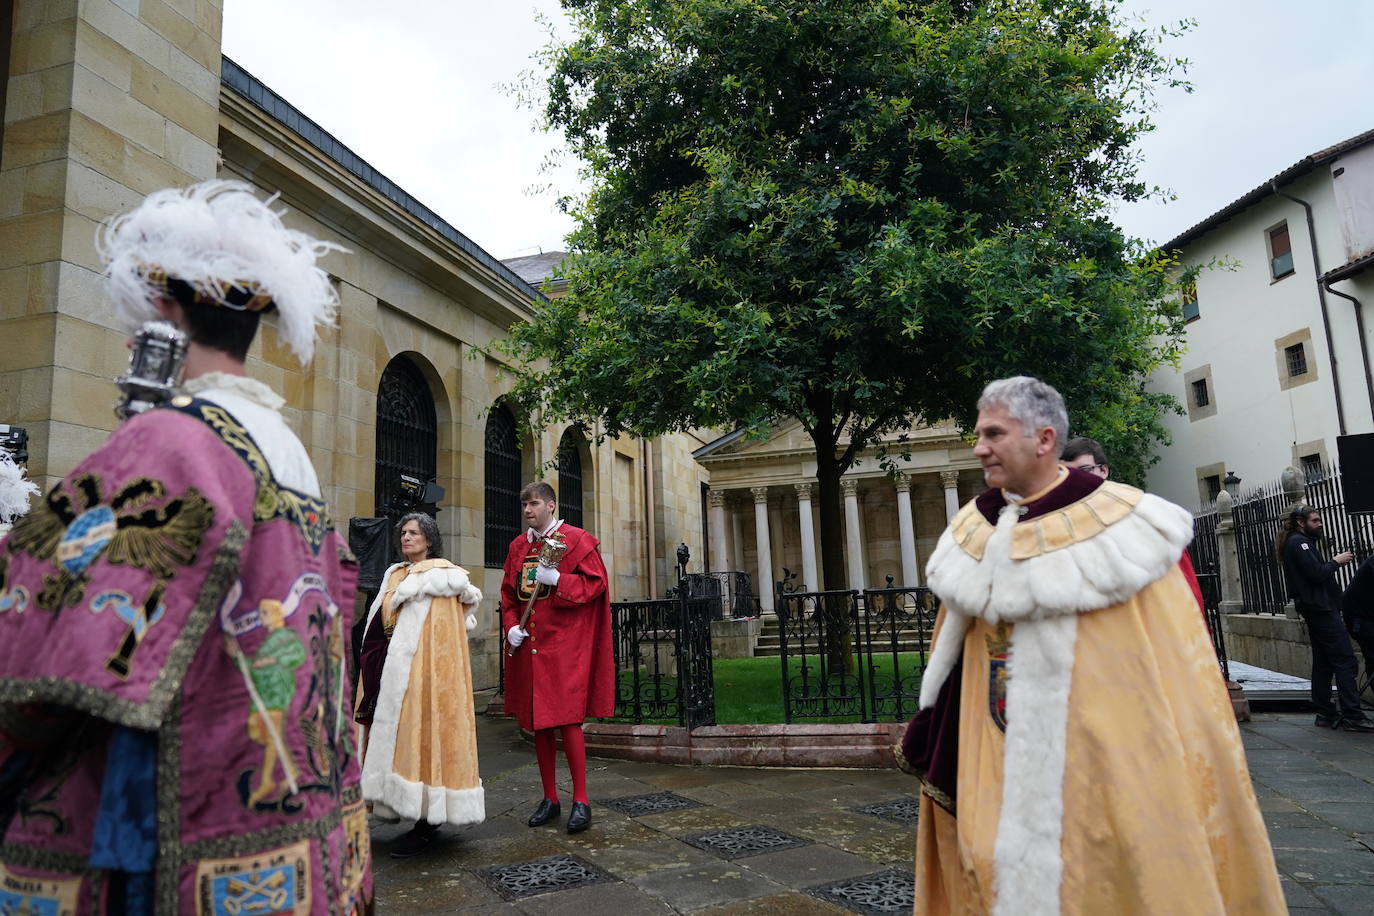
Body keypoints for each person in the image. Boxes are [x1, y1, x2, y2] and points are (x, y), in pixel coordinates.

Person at [0, 181, 373, 913]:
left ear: (163, 307)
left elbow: (53, 653)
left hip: (162, 820)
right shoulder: (284, 443)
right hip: (284, 836)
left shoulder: (167, 439)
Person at [901, 376, 1283, 915]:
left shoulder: (1126, 530)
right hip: (993, 760)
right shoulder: (972, 532)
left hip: (1107, 758)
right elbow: (952, 657)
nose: (978, 447)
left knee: (1109, 881)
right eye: (978, 433)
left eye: (993, 433)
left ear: (1043, 438)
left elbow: (1176, 662)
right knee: (988, 871)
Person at [356, 512, 485, 857]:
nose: (407, 538)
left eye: (414, 533)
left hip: (422, 675)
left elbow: (443, 642)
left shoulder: (442, 578)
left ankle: (427, 820)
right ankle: (397, 803)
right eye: (404, 533)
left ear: (429, 540)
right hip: (387, 669)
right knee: (396, 741)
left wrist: (424, 675)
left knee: (425, 738)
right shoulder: (394, 575)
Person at [501, 482, 613, 834]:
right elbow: (508, 594)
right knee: (539, 722)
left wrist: (559, 579)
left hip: (565, 647)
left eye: (533, 504)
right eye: (524, 505)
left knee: (567, 721)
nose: (527, 510)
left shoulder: (577, 540)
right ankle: (550, 797)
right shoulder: (519, 546)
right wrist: (509, 628)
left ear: (550, 505)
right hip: (531, 645)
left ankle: (582, 800)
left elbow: (595, 585)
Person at [1280, 507, 1374, 731]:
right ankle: (1352, 714)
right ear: (1301, 523)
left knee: (1323, 663)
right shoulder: (1298, 543)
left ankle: (1325, 712)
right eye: (1315, 520)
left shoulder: (1301, 542)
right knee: (1345, 660)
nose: (1320, 523)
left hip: (1318, 609)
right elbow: (1316, 573)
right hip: (1321, 610)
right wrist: (1336, 561)